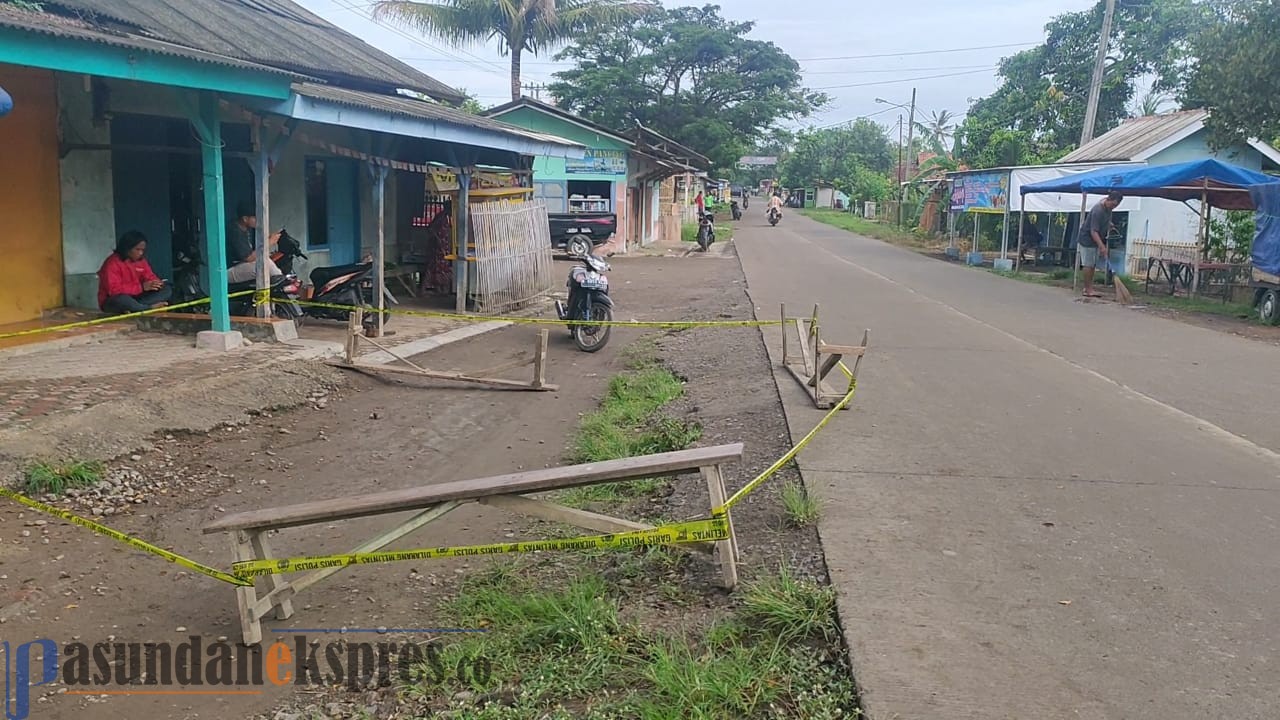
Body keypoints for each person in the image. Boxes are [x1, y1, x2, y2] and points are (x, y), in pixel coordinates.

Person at [97, 231, 171, 314]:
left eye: (143, 250)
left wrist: (156, 283)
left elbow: (150, 276)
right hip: (114, 300)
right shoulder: (112, 263)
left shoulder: (141, 261)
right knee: (123, 300)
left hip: (137, 298)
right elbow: (114, 290)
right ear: (127, 248)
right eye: (137, 249)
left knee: (166, 290)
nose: (140, 253)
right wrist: (141, 288)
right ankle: (147, 308)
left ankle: (137, 308)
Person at [1076, 191, 1123, 297]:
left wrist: (1109, 224)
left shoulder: (1108, 209)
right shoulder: (1098, 210)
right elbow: (1093, 231)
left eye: (1116, 205)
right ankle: (1088, 289)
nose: (1114, 207)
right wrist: (1102, 246)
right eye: (1113, 204)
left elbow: (1104, 220)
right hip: (1087, 239)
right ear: (1108, 199)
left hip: (1096, 239)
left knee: (1093, 264)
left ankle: (1088, 288)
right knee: (1088, 264)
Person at [226, 200, 283, 284]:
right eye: (255, 217)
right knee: (265, 265)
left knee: (268, 260)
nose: (258, 220)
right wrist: (268, 243)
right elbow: (249, 258)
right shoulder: (234, 231)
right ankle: (281, 288)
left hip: (241, 265)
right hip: (228, 272)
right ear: (245, 219)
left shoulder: (246, 228)